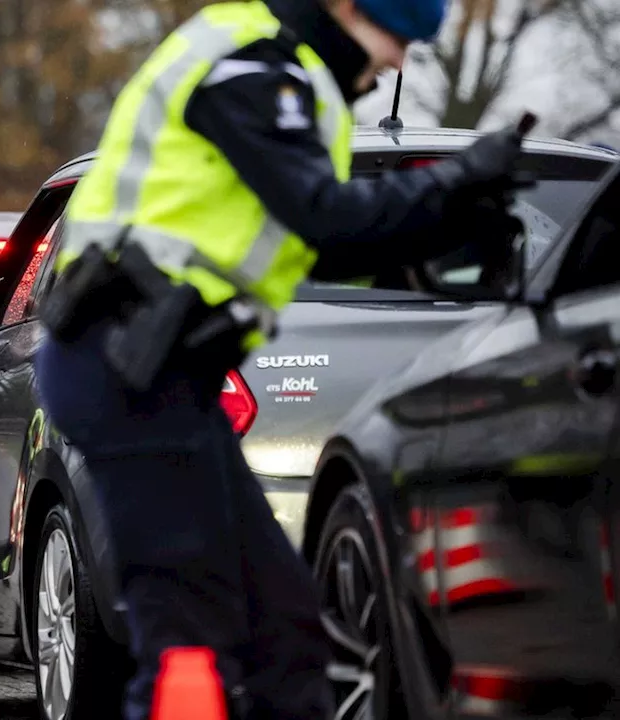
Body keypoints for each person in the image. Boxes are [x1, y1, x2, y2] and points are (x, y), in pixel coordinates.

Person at [33, 0, 532, 718]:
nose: (398, 60)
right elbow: (322, 212)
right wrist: (454, 182)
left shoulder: (290, 81)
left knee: (286, 632)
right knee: (188, 645)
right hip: (127, 365)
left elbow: (332, 239)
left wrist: (451, 217)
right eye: (396, 37)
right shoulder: (250, 65)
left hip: (168, 374)